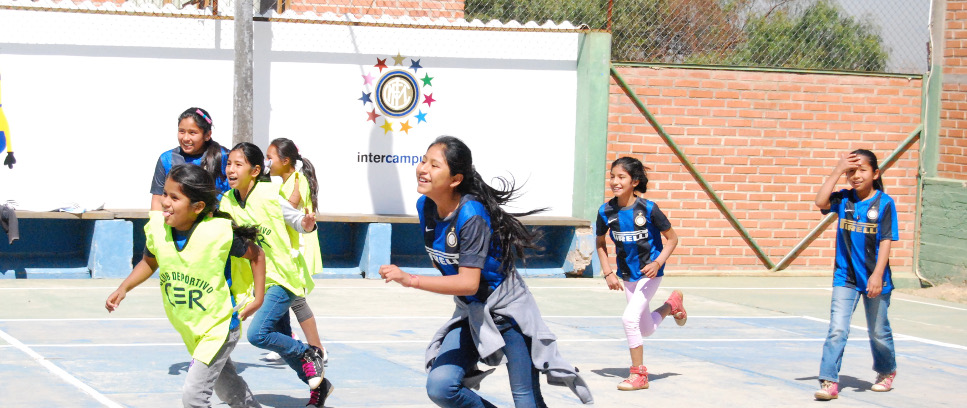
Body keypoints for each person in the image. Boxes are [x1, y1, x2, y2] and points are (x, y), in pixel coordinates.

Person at [379, 136, 593, 407]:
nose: (422, 169)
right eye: (423, 161)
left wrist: (410, 280)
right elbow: (445, 263)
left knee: (526, 399)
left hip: (508, 314)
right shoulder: (426, 206)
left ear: (455, 179)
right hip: (472, 313)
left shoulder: (472, 214)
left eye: (434, 165)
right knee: (441, 386)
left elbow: (468, 283)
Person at [105, 164, 265, 408]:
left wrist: (258, 298)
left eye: (175, 197)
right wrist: (124, 288)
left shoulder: (217, 233)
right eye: (165, 194)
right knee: (228, 387)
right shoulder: (159, 231)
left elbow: (257, 255)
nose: (165, 202)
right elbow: (149, 262)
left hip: (219, 326)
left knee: (193, 398)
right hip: (191, 327)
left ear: (197, 207)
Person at [219, 142, 332, 407]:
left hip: (281, 277)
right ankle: (319, 386)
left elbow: (296, 220)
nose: (231, 170)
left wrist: (305, 224)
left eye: (238, 164)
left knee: (258, 334)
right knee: (278, 342)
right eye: (229, 164)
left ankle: (309, 352)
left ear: (256, 170)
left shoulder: (270, 195)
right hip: (254, 283)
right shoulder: (227, 201)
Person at [813, 149, 898, 401]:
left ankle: (886, 371)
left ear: (875, 173)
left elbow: (886, 240)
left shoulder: (885, 203)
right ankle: (829, 381)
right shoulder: (844, 200)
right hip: (845, 277)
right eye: (851, 171)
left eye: (862, 170)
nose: (856, 176)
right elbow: (820, 202)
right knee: (837, 329)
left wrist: (877, 275)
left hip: (875, 278)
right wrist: (837, 170)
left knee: (878, 330)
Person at [594, 156, 683, 391]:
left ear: (634, 181)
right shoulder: (605, 211)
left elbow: (672, 239)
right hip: (627, 275)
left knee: (628, 319)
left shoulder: (649, 209)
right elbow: (600, 243)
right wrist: (608, 273)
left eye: (621, 177)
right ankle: (671, 305)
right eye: (612, 176)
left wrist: (658, 262)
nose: (615, 181)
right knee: (645, 329)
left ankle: (639, 375)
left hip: (650, 274)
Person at [264, 138, 327, 361]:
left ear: (286, 160)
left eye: (270, 158)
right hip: (289, 247)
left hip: (299, 247)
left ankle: (317, 348)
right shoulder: (286, 180)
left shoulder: (297, 180)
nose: (267, 162)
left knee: (296, 299)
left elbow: (289, 207)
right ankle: (284, 340)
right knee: (282, 295)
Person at [150, 107, 230, 210]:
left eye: (192, 133)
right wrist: (156, 224)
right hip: (177, 223)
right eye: (182, 131)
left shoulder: (223, 157)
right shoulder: (167, 159)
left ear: (207, 135)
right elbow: (157, 199)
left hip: (215, 221)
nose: (186, 138)